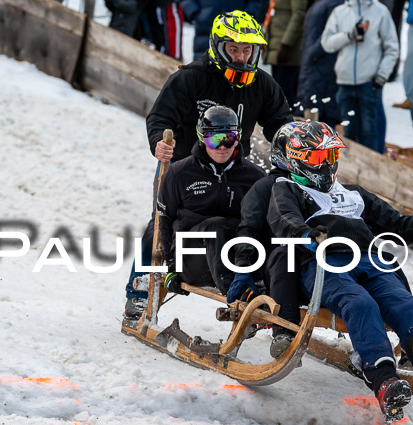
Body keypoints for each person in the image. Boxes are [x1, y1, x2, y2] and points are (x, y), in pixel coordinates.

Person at [265, 122, 413, 422]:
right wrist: (306, 233)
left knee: (403, 303)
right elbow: (283, 219)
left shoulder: (353, 193)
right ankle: (383, 377)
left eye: (332, 156)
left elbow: (395, 222)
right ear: (297, 160)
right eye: (320, 158)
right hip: (323, 263)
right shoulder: (289, 188)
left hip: (370, 260)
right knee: (360, 304)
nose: (328, 165)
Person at [123, 10, 293, 319]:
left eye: (247, 50)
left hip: (234, 168)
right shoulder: (191, 77)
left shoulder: (262, 84)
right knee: (160, 224)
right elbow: (160, 117)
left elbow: (280, 124)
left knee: (245, 224)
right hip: (184, 168)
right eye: (233, 49)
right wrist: (160, 144)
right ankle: (139, 286)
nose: (241, 56)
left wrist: (292, 149)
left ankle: (247, 284)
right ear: (217, 45)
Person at [228, 121, 346, 357]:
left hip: (319, 265)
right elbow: (249, 230)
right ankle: (284, 332)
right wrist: (244, 270)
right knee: (286, 254)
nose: (321, 163)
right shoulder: (266, 187)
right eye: (312, 156)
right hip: (278, 271)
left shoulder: (324, 187)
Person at [155, 106, 265, 300]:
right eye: (214, 140)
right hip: (192, 258)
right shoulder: (179, 173)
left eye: (228, 139)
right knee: (216, 227)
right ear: (201, 138)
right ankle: (238, 296)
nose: (222, 147)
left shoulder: (254, 176)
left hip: (236, 255)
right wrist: (171, 266)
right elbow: (165, 221)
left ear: (238, 137)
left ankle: (263, 289)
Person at [321, 0, 399, 153]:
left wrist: (382, 75)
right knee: (348, 134)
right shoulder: (340, 11)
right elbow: (326, 43)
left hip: (369, 83)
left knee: (370, 133)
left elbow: (392, 47)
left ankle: (372, 173)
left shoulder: (380, 11)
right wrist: (348, 35)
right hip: (344, 82)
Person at [296, 0, 344, 125]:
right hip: (313, 63)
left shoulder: (334, 5)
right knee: (311, 106)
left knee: (322, 110)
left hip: (322, 64)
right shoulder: (321, 4)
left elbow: (330, 35)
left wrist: (313, 53)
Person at [179, 1, 263, 60]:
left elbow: (255, 2)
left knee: (236, 69)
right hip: (206, 27)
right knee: (203, 71)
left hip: (238, 29)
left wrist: (247, 15)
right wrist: (194, 12)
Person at [263, 0, 307, 111]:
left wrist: (286, 44)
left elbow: (298, 15)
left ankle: (289, 124)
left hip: (286, 48)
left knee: (285, 93)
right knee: (277, 91)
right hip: (275, 45)